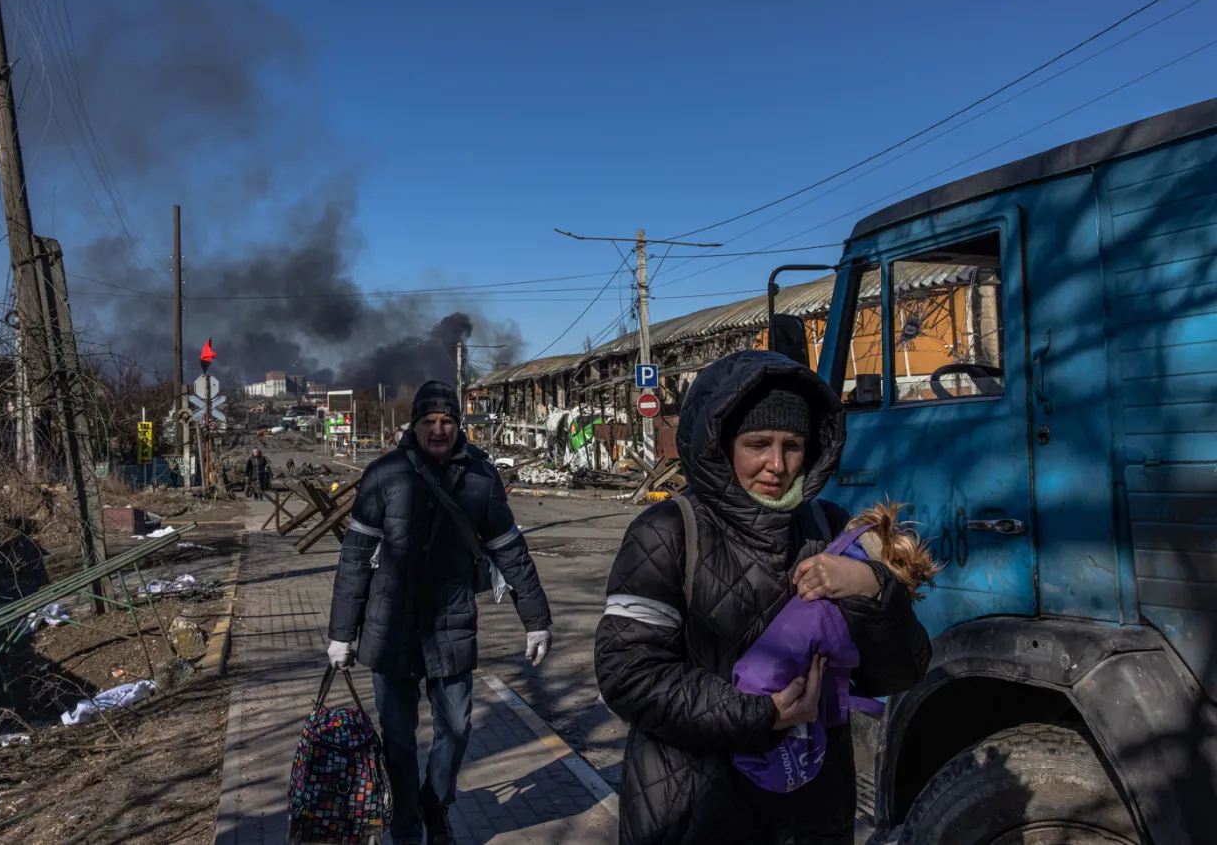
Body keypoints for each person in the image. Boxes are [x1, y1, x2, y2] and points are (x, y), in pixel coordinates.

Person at [594, 350, 932, 845]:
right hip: (692, 809)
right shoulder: (668, 532)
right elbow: (627, 674)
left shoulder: (830, 527)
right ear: (721, 444)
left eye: (792, 445)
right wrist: (762, 714)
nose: (777, 465)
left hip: (812, 812)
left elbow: (902, 672)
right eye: (758, 444)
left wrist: (872, 589)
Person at [328, 380, 554, 845]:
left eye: (447, 421)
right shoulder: (383, 475)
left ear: (458, 424)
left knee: (456, 729)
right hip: (389, 628)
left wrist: (536, 620)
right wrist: (341, 634)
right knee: (398, 739)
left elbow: (510, 551)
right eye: (430, 422)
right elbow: (354, 558)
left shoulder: (480, 478)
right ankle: (408, 828)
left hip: (451, 625)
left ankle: (436, 804)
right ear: (415, 425)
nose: (439, 430)